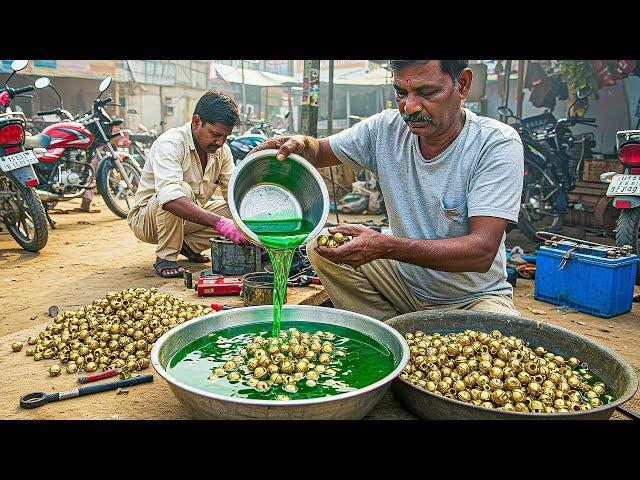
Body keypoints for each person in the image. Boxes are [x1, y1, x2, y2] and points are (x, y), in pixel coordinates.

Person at [250, 60, 524, 321]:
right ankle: (395, 331)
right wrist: (300, 143)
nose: (411, 106)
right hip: (404, 284)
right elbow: (320, 150)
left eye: (427, 92)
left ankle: (409, 334)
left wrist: (387, 247)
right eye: (401, 92)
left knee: (508, 346)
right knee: (321, 246)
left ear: (462, 84)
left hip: (473, 298)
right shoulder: (386, 128)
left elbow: (481, 252)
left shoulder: (495, 143)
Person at [127, 90, 247, 278]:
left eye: (226, 136)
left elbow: (233, 191)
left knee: (239, 208)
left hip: (186, 219)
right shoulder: (170, 143)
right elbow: (170, 200)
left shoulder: (222, 151)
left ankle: (188, 246)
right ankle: (166, 257)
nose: (221, 141)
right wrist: (220, 223)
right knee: (178, 192)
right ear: (196, 122)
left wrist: (248, 225)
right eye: (215, 134)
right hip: (147, 222)